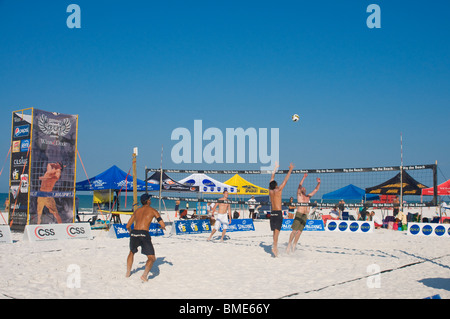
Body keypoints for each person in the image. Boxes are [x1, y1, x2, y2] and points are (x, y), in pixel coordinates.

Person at [126, 193, 166, 282]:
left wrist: (131, 232)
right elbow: (162, 224)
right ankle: (144, 275)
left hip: (134, 233)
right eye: (150, 199)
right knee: (151, 258)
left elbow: (128, 225)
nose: (150, 201)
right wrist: (162, 227)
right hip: (144, 234)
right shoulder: (153, 210)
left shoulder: (137, 211)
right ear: (148, 201)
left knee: (131, 252)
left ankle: (128, 272)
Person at [286, 174, 321, 254]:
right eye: (302, 188)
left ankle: (294, 245)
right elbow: (299, 185)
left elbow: (315, 190)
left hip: (305, 215)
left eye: (304, 188)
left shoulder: (308, 196)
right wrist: (304, 177)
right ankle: (289, 245)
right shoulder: (299, 195)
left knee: (299, 232)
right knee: (294, 231)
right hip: (299, 213)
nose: (303, 188)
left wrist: (319, 183)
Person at [269, 161, 294, 257]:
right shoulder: (278, 190)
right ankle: (274, 247)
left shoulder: (270, 191)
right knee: (277, 231)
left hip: (272, 213)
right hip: (278, 212)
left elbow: (272, 177)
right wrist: (290, 169)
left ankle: (274, 246)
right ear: (276, 185)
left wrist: (275, 168)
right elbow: (285, 180)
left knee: (274, 231)